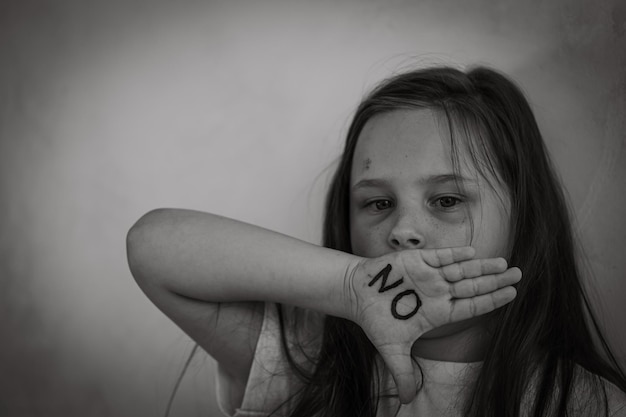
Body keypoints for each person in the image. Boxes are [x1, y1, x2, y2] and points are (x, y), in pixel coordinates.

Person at [126, 66, 626, 417]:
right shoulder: (302, 360)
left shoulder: (589, 404)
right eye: (378, 203)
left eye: (447, 200)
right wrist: (349, 285)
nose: (402, 229)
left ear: (526, 220)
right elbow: (153, 244)